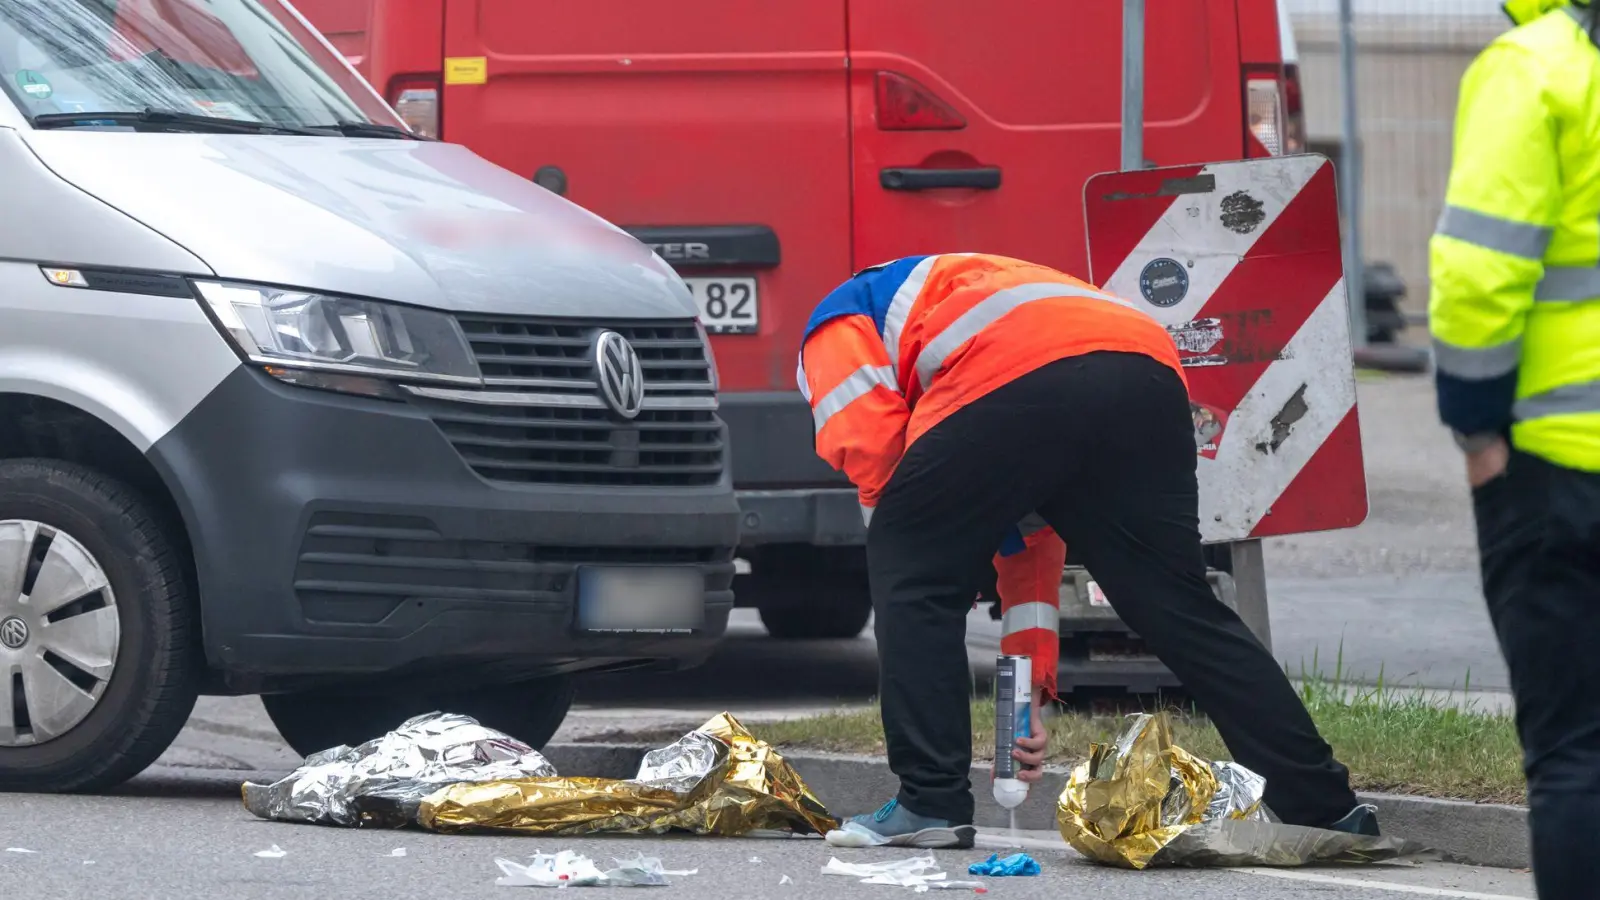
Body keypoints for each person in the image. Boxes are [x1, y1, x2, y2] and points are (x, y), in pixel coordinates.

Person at [796, 252, 1378, 849]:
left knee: (912, 576)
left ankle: (929, 803)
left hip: (1019, 367)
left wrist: (938, 556)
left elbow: (880, 463)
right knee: (1177, 604)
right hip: (1145, 369)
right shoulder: (956, 294)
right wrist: (1027, 702)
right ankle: (1323, 807)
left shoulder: (831, 327)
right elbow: (1032, 540)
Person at [1429, 2, 1600, 896]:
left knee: (1576, 754)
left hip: (1561, 468)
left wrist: (1476, 424)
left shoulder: (1538, 68)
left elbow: (1479, 270)